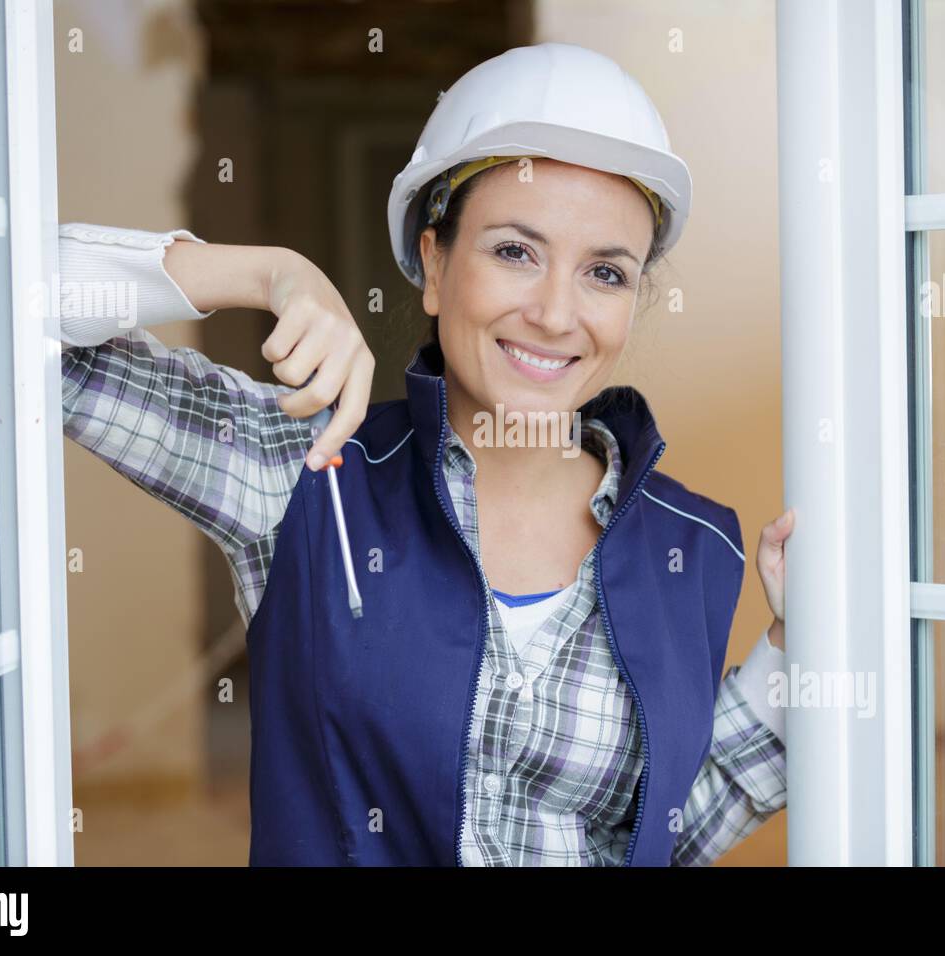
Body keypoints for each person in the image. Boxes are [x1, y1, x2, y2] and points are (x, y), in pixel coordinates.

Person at [57, 41, 796, 865]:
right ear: (435, 264)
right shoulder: (309, 472)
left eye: (605, 273)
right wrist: (272, 276)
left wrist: (798, 645)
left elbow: (661, 835)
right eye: (516, 251)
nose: (557, 314)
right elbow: (12, 305)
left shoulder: (693, 547)